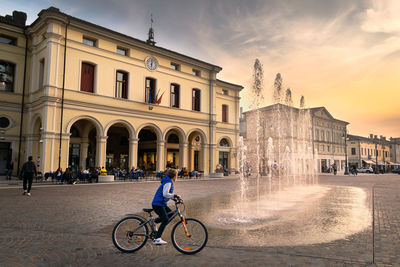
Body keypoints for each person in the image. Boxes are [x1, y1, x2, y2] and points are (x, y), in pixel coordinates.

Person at [151, 168, 181, 245]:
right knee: (165, 220)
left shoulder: (168, 181)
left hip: (161, 203)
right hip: (158, 204)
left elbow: (166, 194)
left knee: (171, 214)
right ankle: (157, 238)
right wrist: (175, 196)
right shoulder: (168, 182)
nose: (177, 177)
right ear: (174, 176)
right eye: (177, 175)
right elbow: (165, 194)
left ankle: (154, 221)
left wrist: (174, 198)